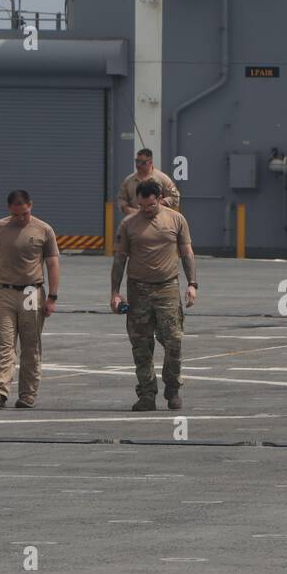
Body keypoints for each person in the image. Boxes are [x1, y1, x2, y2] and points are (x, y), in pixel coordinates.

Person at [109, 181, 198, 410]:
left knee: (174, 340)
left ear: (159, 199)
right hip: (138, 290)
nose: (145, 210)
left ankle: (172, 388)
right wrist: (115, 293)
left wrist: (192, 284)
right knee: (141, 344)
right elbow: (120, 259)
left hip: (167, 288)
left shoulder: (176, 220)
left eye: (149, 205)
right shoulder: (129, 224)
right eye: (141, 205)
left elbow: (187, 253)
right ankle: (147, 394)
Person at [0, 190, 61, 409]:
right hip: (4, 291)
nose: (21, 218)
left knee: (30, 345)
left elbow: (53, 263)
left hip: (30, 293)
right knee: (4, 344)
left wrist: (52, 296)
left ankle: (27, 394)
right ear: (9, 209)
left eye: (25, 214)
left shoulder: (44, 230)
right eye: (17, 215)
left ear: (30, 206)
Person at [117, 148, 180, 217]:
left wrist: (156, 204)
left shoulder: (162, 178)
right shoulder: (129, 181)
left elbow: (175, 197)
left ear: (150, 162)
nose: (138, 165)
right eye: (137, 161)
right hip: (135, 221)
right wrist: (127, 209)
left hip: (157, 220)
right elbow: (121, 198)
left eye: (143, 162)